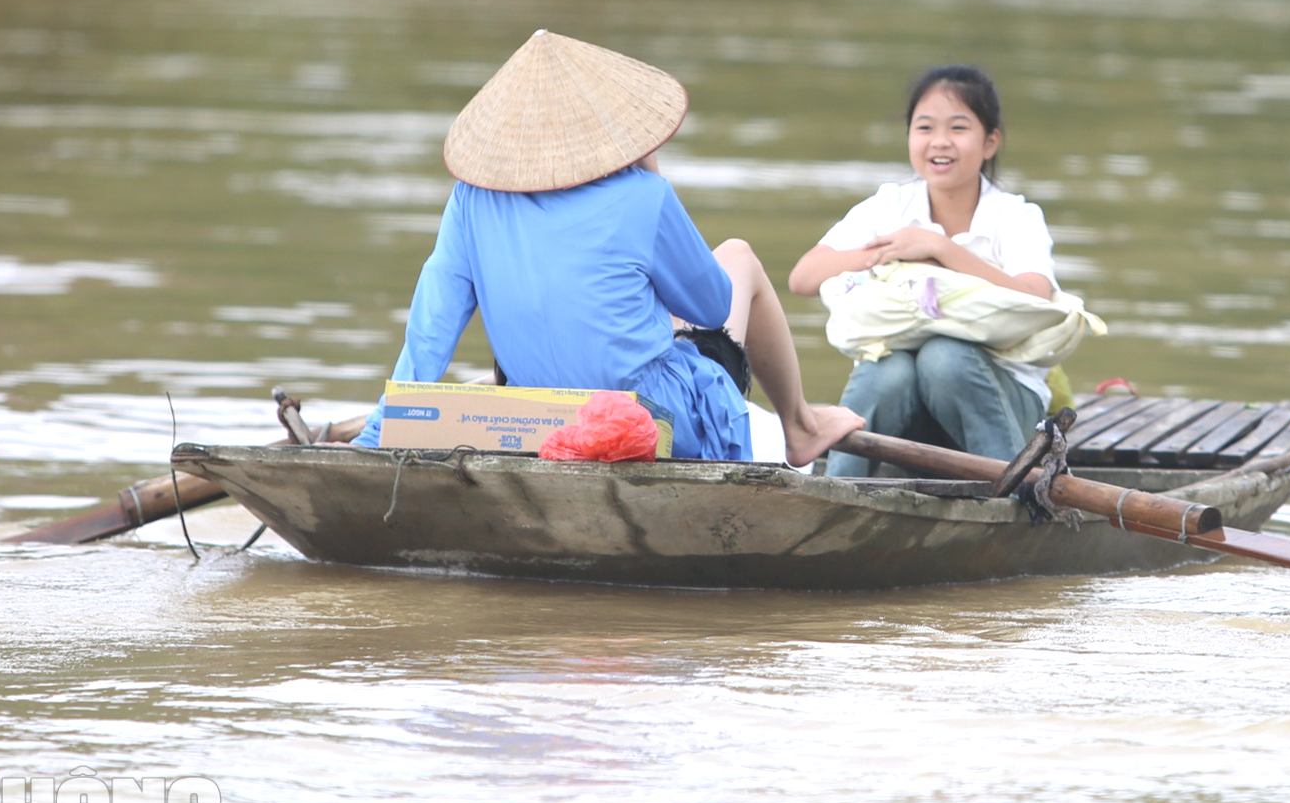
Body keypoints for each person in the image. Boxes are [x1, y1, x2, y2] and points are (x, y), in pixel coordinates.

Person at [352, 30, 863, 466]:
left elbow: (430, 334)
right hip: (649, 419)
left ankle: (799, 424)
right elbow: (709, 306)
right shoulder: (645, 195)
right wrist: (652, 173)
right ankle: (801, 427)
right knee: (740, 257)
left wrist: (380, 433)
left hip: (533, 418)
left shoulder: (470, 199)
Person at [788, 65, 1055, 475]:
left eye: (959, 128)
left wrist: (940, 249)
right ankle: (836, 496)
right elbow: (804, 276)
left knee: (943, 357)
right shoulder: (889, 207)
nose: (940, 142)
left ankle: (1012, 493)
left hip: (1000, 404)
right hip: (902, 407)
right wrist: (899, 252)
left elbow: (1036, 297)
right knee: (886, 368)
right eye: (925, 127)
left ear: (990, 142)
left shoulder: (1016, 216)